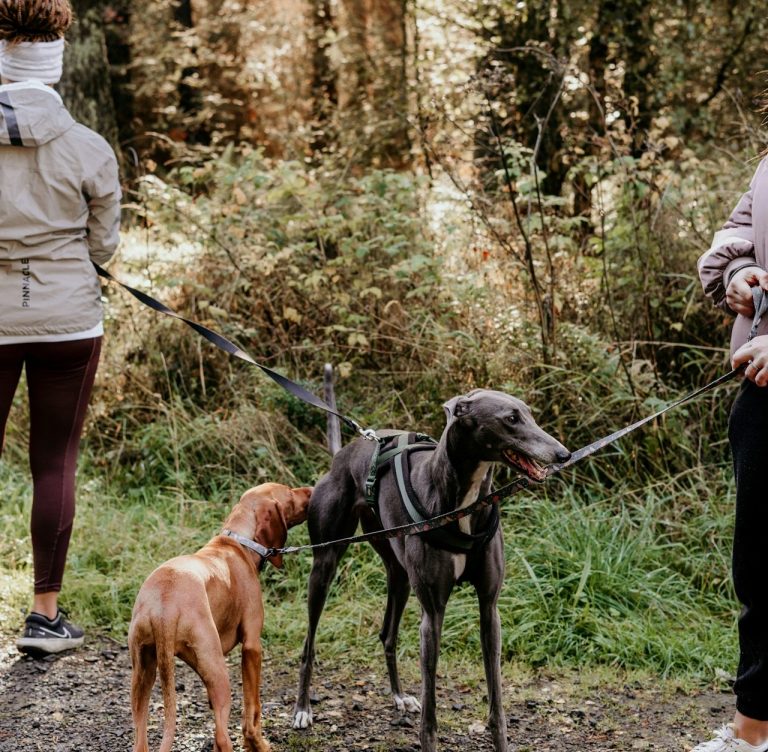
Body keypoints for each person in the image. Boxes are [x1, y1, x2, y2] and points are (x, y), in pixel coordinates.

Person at [0, 0, 121, 655]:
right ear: (55, 64)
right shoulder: (88, 148)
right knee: (54, 462)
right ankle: (44, 619)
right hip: (68, 319)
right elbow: (103, 249)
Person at [696, 155, 768, 750]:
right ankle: (753, 732)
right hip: (762, 396)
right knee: (762, 568)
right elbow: (736, 234)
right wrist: (738, 275)